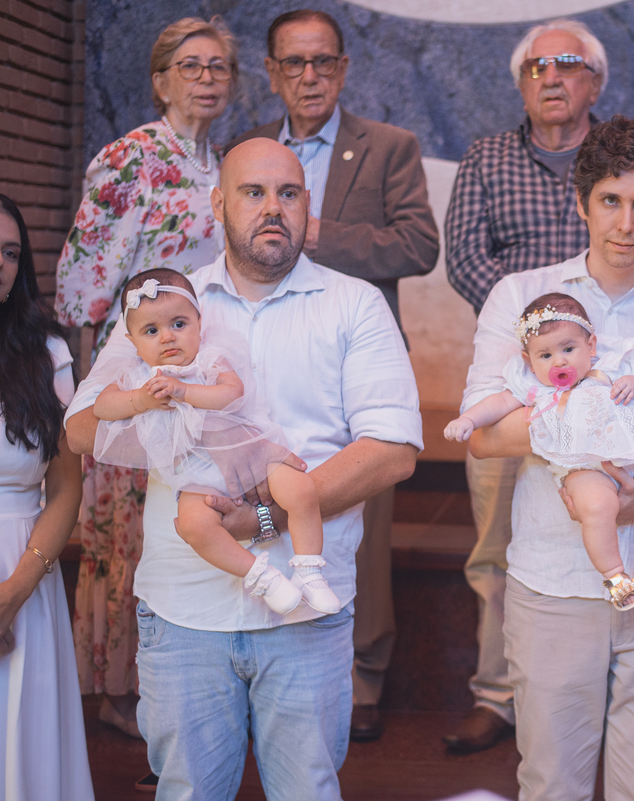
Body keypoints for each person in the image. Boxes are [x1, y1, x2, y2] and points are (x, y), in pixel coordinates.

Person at [64, 138, 423, 799]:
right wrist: (146, 398)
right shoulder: (164, 303)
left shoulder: (353, 304)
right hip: (184, 607)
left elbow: (394, 447)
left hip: (305, 614)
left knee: (307, 791)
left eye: (287, 194)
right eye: (254, 193)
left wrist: (262, 517)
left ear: (306, 206)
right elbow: (82, 426)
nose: (272, 209)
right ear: (218, 203)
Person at [465, 116, 634, 800]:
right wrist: (578, 430)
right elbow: (483, 433)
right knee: (551, 784)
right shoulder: (523, 303)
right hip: (553, 585)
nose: (625, 222)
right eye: (611, 200)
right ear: (583, 201)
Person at [442, 16, 634, 754]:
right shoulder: (486, 158)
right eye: (537, 66)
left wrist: (586, 343)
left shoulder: (633, 164)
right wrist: (540, 330)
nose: (552, 76)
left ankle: (604, 686)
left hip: (602, 375)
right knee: (495, 543)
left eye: (569, 64)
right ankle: (500, 692)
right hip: (524, 374)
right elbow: (463, 256)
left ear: (595, 81)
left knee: (612, 512)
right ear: (521, 82)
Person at [227, 8, 439, 743]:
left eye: (323, 62)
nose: (310, 76)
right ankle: (248, 652)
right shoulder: (244, 152)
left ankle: (362, 669)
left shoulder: (387, 147)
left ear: (344, 69)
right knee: (254, 503)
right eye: (294, 63)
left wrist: (316, 235)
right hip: (258, 368)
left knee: (359, 516)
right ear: (273, 73)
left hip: (350, 360)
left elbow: (418, 244)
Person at [53, 15, 238, 738]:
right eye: (190, 66)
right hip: (136, 362)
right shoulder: (131, 157)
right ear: (161, 79)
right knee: (124, 529)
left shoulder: (221, 161)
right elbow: (80, 281)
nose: (205, 78)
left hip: (195, 370)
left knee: (178, 512)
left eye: (218, 66)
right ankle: (118, 687)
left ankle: (173, 674)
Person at [91, 269, 337, 615]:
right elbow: (101, 407)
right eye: (151, 331)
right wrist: (142, 400)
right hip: (194, 476)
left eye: (179, 324)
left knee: (301, 489)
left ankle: (310, 571)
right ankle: (262, 577)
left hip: (249, 454)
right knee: (193, 526)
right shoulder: (135, 376)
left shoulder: (209, 358)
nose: (167, 338)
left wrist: (185, 391)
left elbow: (231, 392)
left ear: (198, 322)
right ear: (132, 341)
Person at [446, 292, 634, 609]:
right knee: (597, 507)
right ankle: (616, 577)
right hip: (583, 465)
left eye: (569, 349)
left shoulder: (612, 366)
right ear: (528, 362)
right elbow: (499, 404)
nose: (559, 361)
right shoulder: (535, 387)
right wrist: (468, 419)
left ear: (591, 346)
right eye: (545, 356)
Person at [0, 194, 93, 799]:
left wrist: (14, 592)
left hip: (23, 569)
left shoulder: (50, 356)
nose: (0, 264)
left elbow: (64, 484)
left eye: (10, 252)